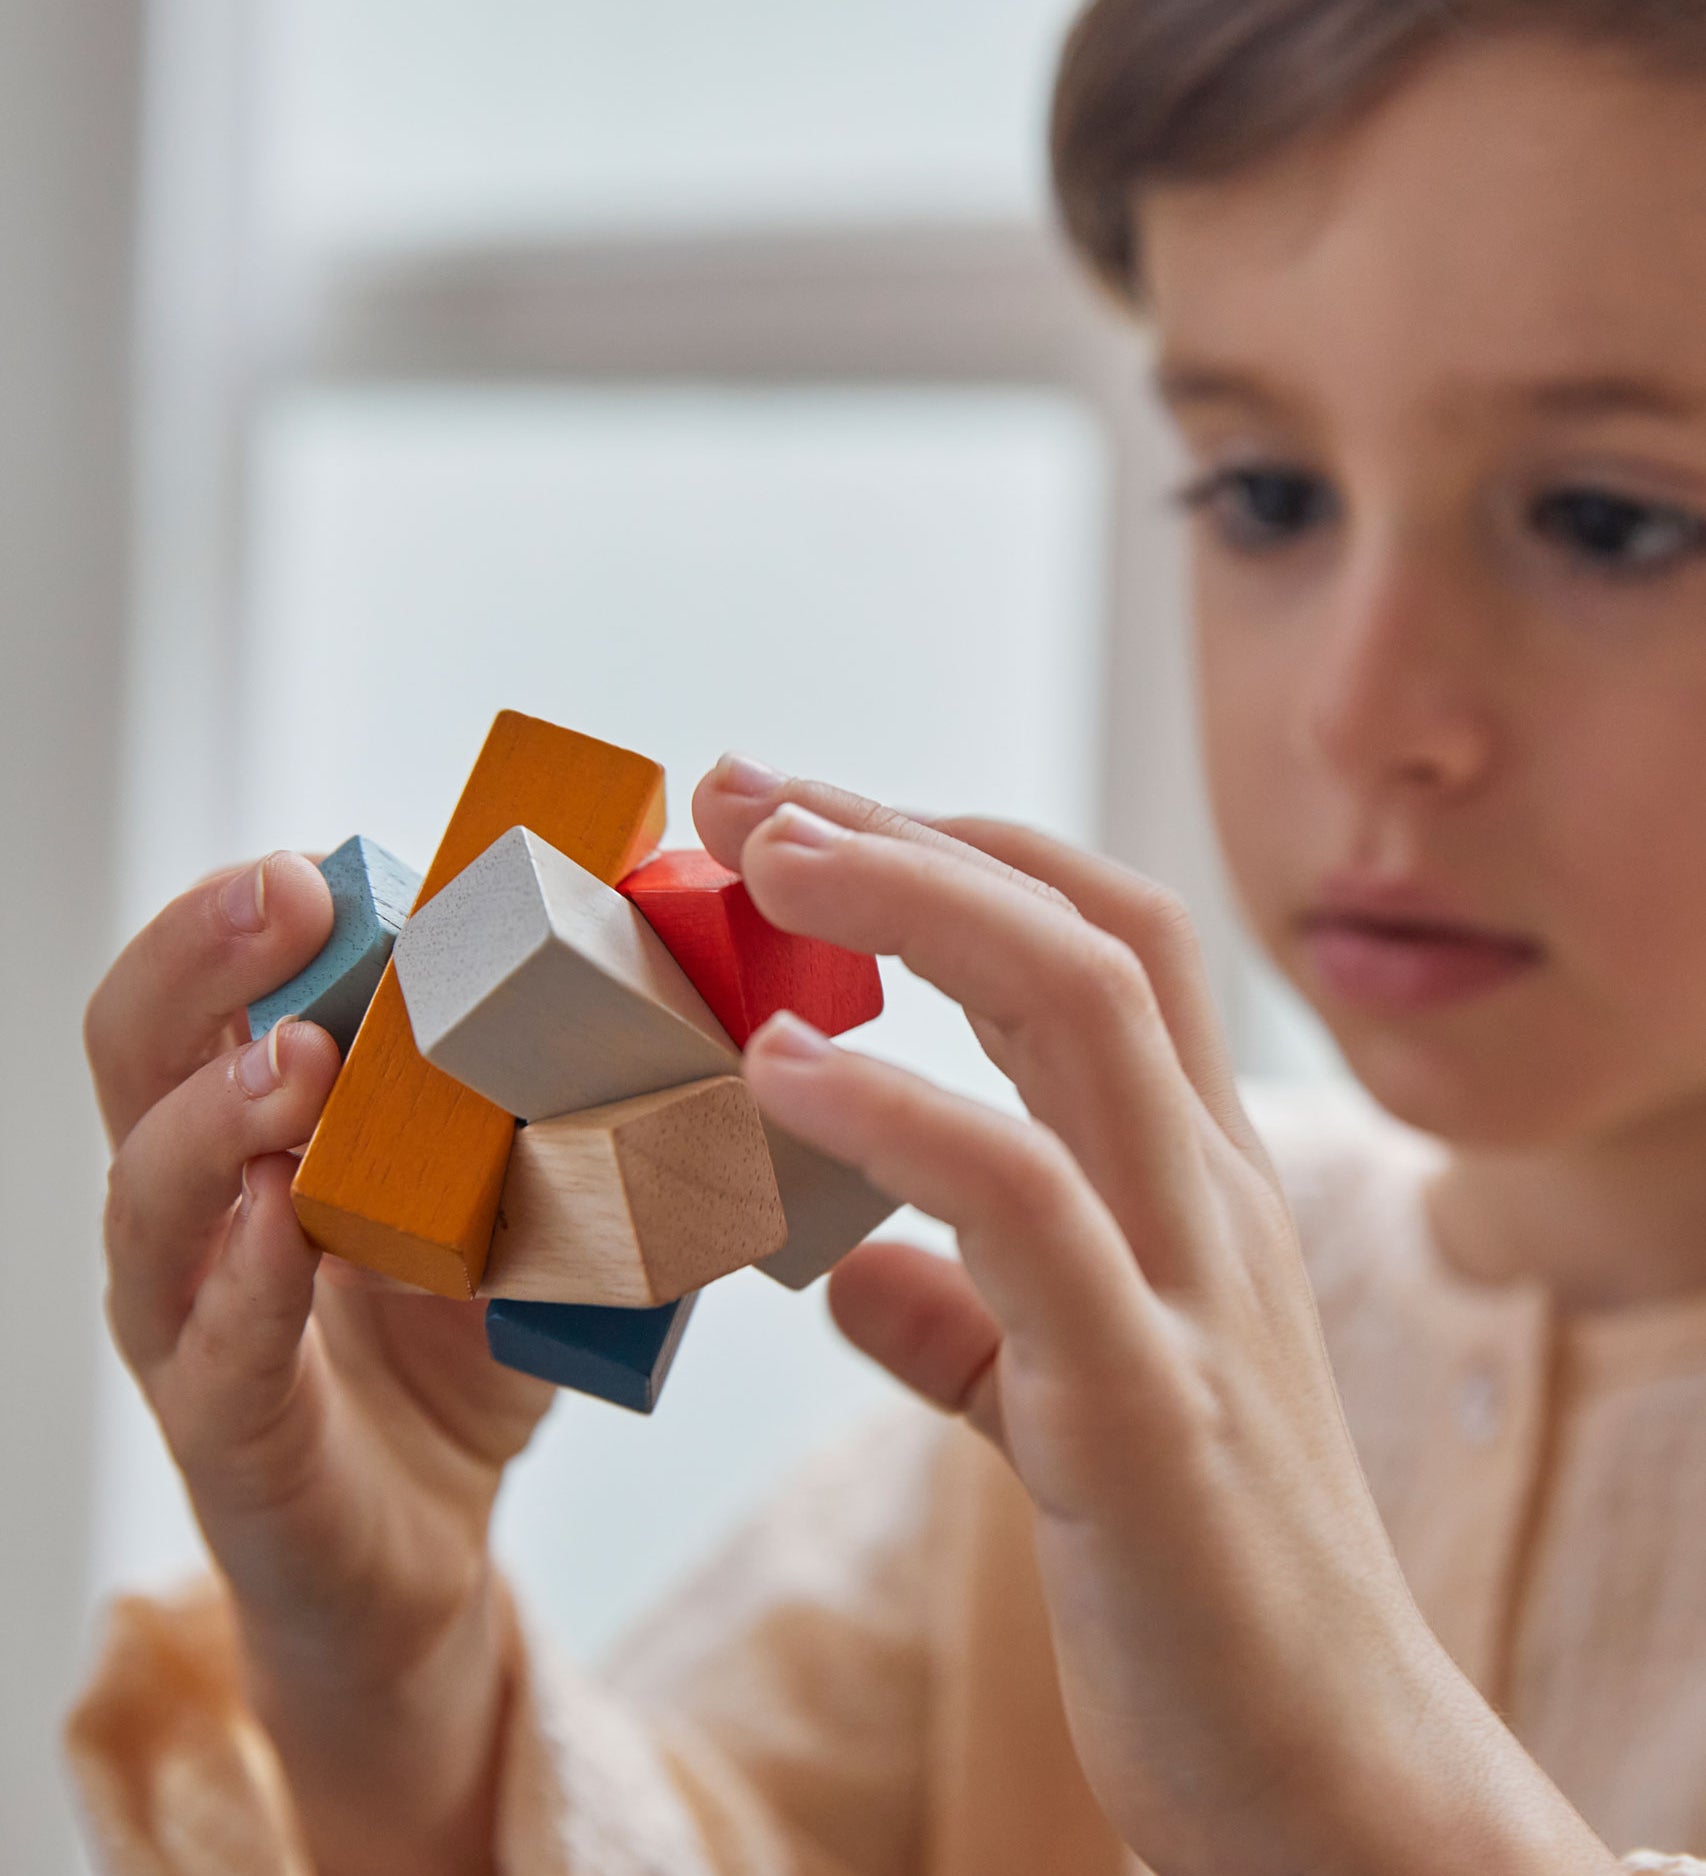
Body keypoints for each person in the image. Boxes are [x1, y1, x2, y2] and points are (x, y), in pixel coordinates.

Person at [67, 2, 1706, 1871]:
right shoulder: (1105, 1329)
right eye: (1263, 494)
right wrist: (390, 1675)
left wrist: (1350, 1799)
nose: (1359, 710)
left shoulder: (1118, 1327)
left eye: (1609, 520)